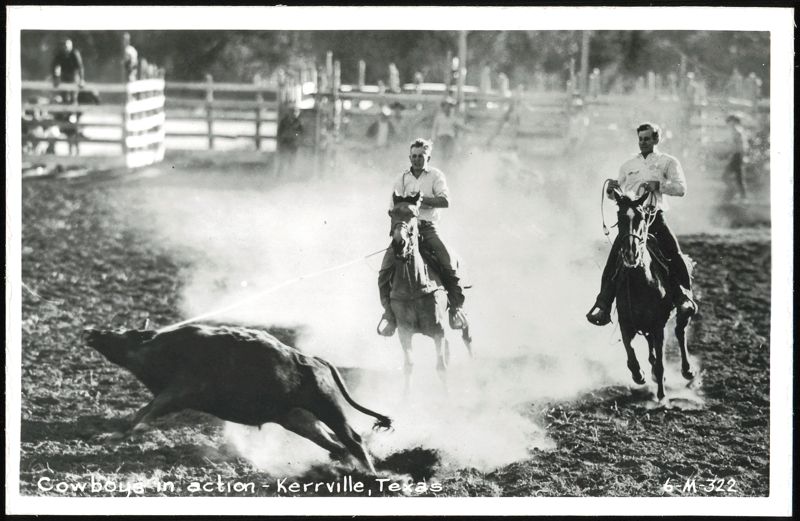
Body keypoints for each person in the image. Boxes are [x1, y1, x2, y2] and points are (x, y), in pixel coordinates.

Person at [586, 122, 697, 326]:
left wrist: (659, 186)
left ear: (656, 139)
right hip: (632, 221)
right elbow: (616, 194)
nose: (643, 142)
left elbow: (681, 188)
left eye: (647, 138)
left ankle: (683, 298)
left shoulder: (668, 162)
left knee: (674, 253)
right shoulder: (628, 166)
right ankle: (603, 305)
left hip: (654, 218)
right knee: (613, 261)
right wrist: (611, 191)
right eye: (640, 139)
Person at [377, 138, 467, 335]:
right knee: (384, 271)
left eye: (421, 156)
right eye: (414, 156)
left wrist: (421, 200)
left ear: (428, 157)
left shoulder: (435, 176)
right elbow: (392, 208)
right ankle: (390, 316)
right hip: (407, 229)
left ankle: (456, 309)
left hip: (428, 228)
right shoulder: (401, 179)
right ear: (410, 157)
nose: (417, 160)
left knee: (448, 264)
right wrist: (402, 217)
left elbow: (445, 201)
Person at [431, 98, 467, 166]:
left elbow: (461, 126)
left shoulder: (453, 118)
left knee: (450, 154)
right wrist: (433, 139)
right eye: (446, 107)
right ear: (443, 108)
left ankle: (448, 166)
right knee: (441, 154)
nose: (448, 108)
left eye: (449, 107)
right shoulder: (439, 117)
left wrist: (468, 129)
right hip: (441, 138)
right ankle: (442, 165)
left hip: (450, 138)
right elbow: (434, 128)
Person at [723, 114, 749, 201]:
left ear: (734, 122)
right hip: (737, 156)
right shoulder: (738, 130)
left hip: (737, 156)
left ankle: (734, 192)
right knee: (738, 178)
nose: (729, 124)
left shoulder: (737, 131)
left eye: (730, 122)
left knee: (725, 177)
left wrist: (739, 156)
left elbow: (740, 146)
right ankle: (741, 196)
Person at [51, 38, 84, 104]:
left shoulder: (75, 53)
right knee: (64, 96)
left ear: (70, 46)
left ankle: (74, 111)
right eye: (63, 46)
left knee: (73, 97)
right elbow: (54, 66)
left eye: (66, 46)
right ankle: (66, 113)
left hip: (74, 76)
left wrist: (81, 79)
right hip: (64, 76)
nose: (65, 48)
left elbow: (80, 67)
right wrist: (55, 78)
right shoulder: (59, 54)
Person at [276, 104, 303, 176]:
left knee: (291, 160)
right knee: (283, 160)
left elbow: (300, 132)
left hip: (292, 143)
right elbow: (279, 132)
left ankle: (289, 174)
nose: (293, 113)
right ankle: (280, 174)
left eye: (294, 112)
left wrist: (296, 136)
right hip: (285, 142)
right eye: (292, 112)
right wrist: (280, 140)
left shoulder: (297, 122)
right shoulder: (284, 121)